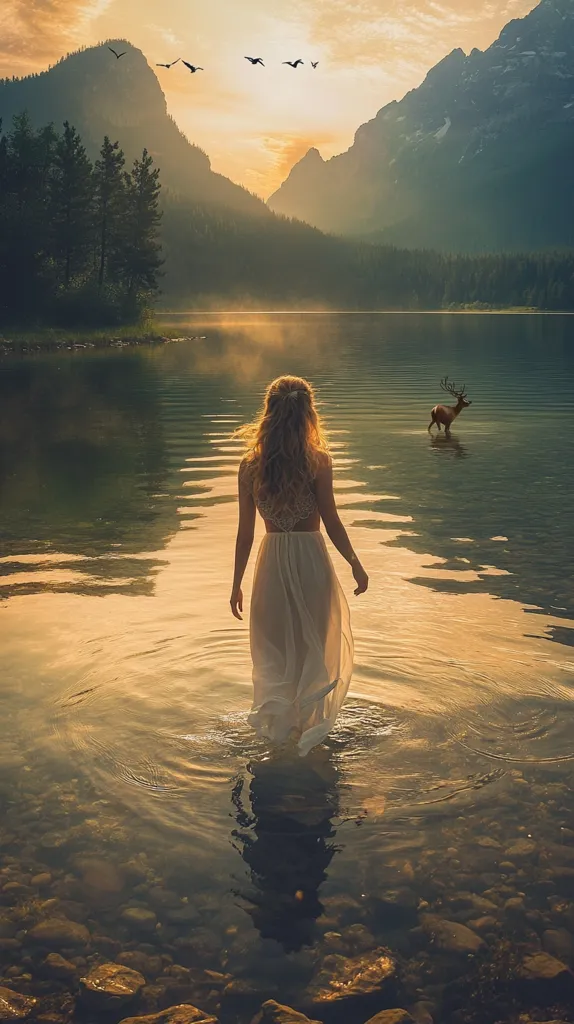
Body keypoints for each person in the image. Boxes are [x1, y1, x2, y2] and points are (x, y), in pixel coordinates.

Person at [230, 375, 368, 756]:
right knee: (313, 647)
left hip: (271, 563)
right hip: (312, 563)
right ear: (309, 413)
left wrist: (236, 584)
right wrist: (355, 564)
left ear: (269, 412)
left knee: (274, 650)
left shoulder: (249, 466)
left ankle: (279, 734)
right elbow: (333, 520)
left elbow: (244, 535)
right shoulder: (319, 461)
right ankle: (310, 732)